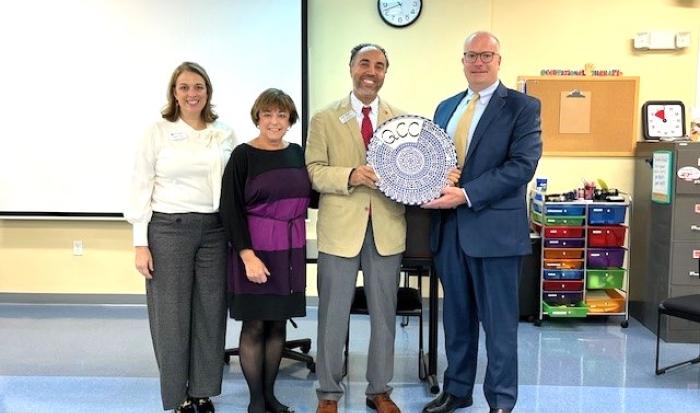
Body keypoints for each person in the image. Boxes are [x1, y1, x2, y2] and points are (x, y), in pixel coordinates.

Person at [421, 31, 542, 413]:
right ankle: (458, 391)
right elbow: (435, 159)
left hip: (495, 232)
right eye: (471, 55)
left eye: (485, 55)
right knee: (456, 320)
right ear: (462, 60)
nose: (477, 62)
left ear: (498, 60)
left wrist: (466, 193)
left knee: (499, 326)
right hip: (449, 229)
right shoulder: (445, 107)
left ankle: (501, 401)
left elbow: (522, 166)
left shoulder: (522, 106)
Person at [125, 62, 235, 413]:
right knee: (170, 317)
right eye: (184, 87)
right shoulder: (157, 131)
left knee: (210, 312)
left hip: (214, 231)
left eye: (198, 87)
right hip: (168, 229)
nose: (192, 93)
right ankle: (178, 398)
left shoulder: (223, 132)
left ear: (208, 91)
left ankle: (202, 391)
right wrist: (140, 242)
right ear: (174, 92)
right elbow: (140, 184)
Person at [305, 43, 406, 413]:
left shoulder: (402, 121)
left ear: (385, 73)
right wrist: (350, 174)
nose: (371, 71)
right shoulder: (324, 118)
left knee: (384, 316)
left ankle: (379, 390)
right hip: (339, 231)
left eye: (379, 65)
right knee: (333, 316)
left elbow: (410, 175)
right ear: (350, 67)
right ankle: (328, 394)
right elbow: (314, 170)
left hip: (386, 229)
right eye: (365, 63)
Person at [219, 88, 309, 413]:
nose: (274, 121)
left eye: (281, 115)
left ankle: (270, 396)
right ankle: (256, 401)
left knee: (278, 323)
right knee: (255, 324)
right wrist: (246, 255)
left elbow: (311, 196)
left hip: (290, 251)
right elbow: (229, 209)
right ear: (258, 116)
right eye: (268, 114)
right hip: (255, 251)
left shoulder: (298, 152)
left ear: (290, 120)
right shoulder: (243, 155)